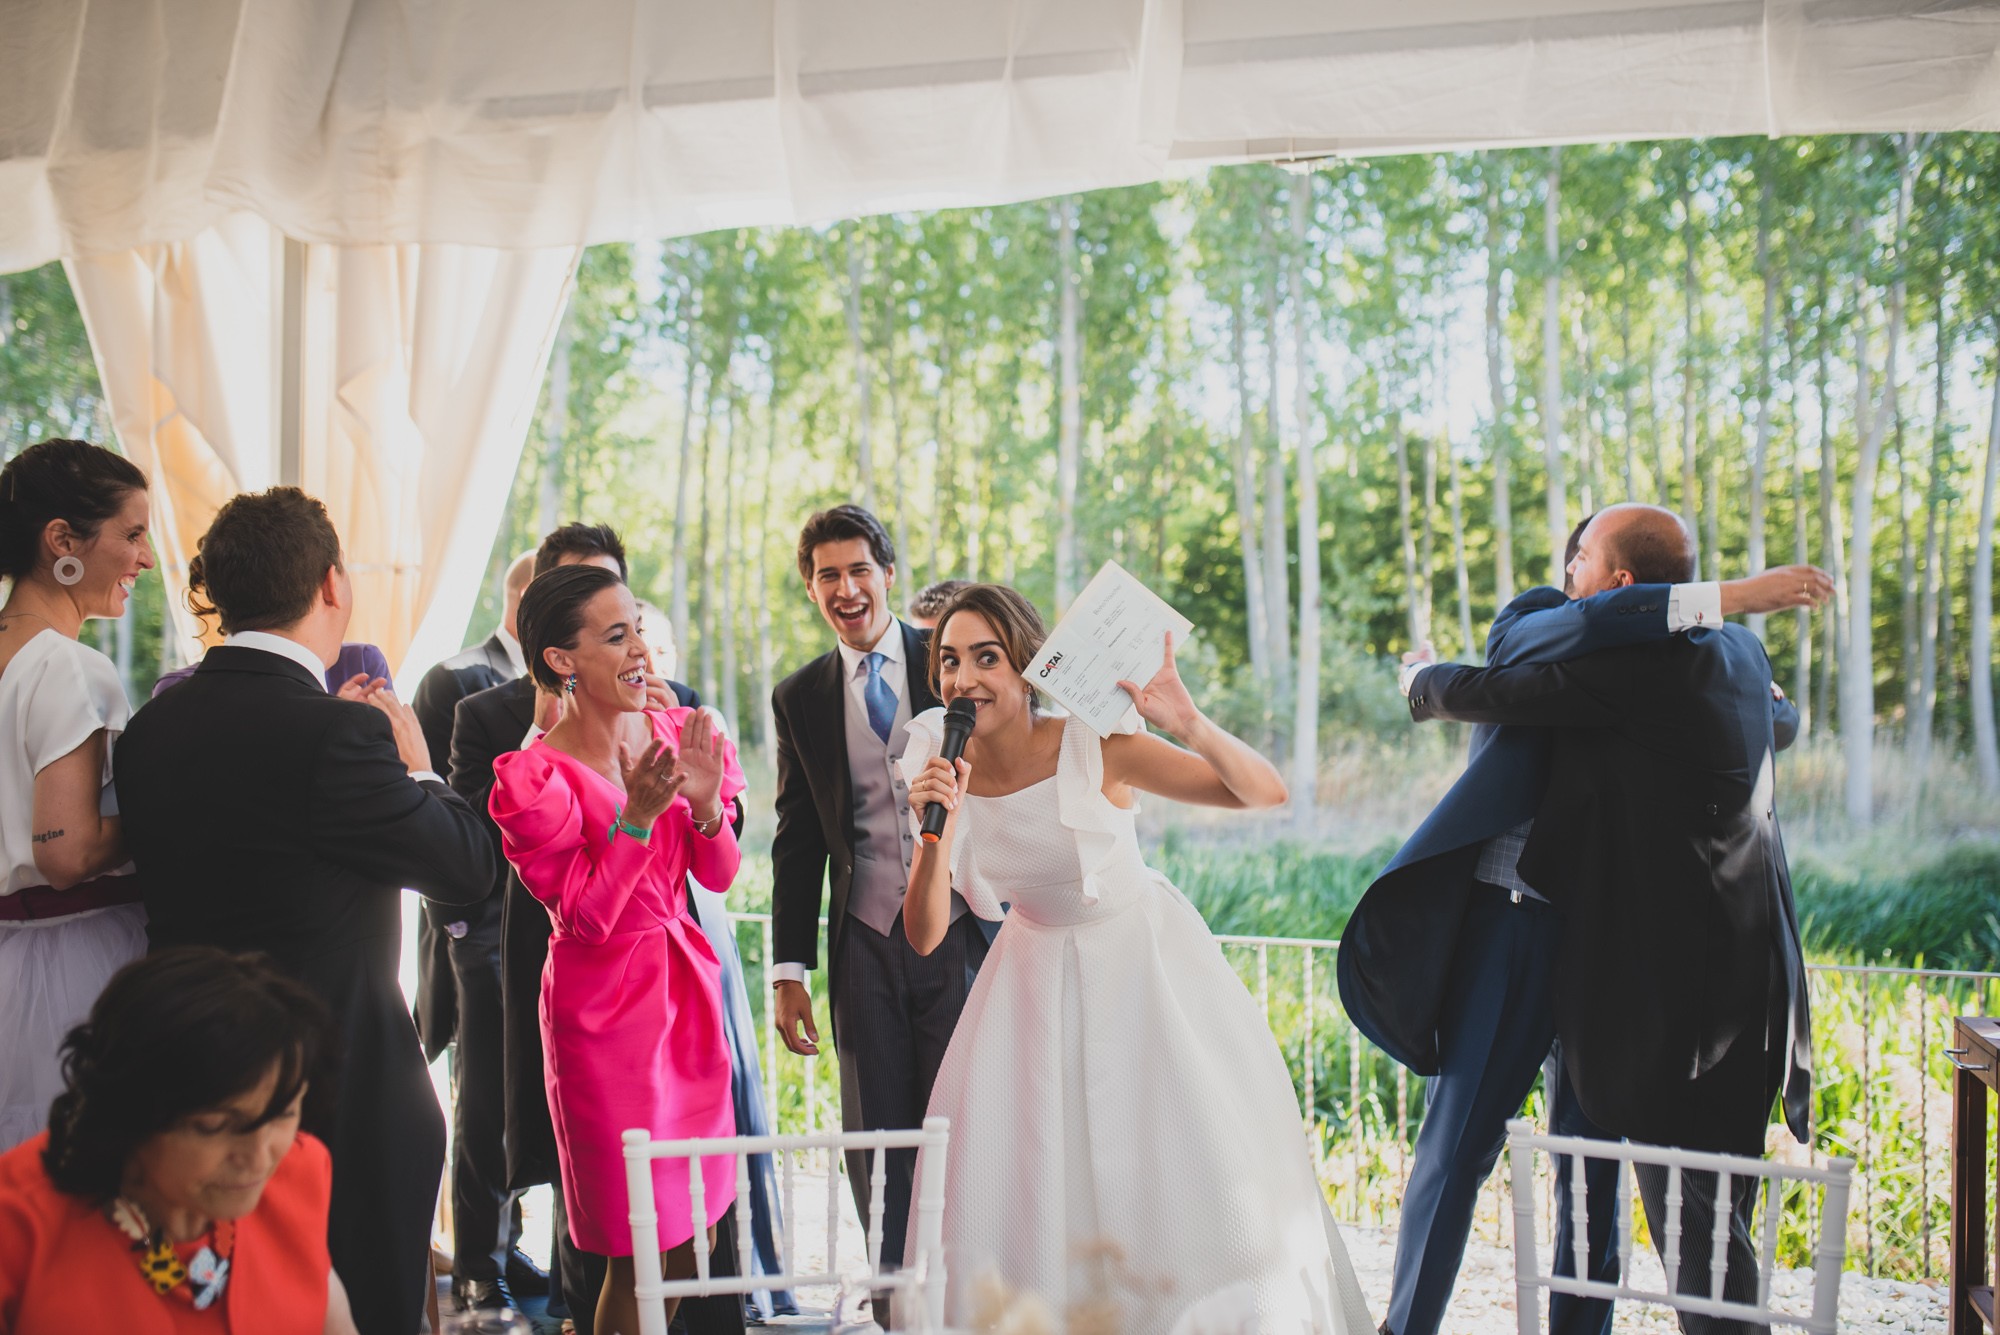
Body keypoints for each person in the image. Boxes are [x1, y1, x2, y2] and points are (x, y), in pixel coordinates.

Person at [1342, 508, 1832, 1335]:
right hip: (1518, 916)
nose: (1569, 572)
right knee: (1462, 1142)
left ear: (1620, 582)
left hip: (1621, 943)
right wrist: (1422, 680)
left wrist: (1729, 628)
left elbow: (1772, 719)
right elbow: (1501, 668)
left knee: (1588, 1161)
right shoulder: (1545, 624)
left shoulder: (1705, 656)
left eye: (1583, 560)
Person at [902, 583, 1374, 1332]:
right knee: (1031, 1190)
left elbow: (1262, 793)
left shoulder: (1095, 744)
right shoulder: (936, 762)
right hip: (1027, 989)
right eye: (950, 660)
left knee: (1181, 1171)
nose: (964, 679)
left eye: (986, 657)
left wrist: (1185, 718)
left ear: (1027, 666)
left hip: (1141, 971)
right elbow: (925, 931)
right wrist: (941, 825)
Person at [114, 486, 497, 1335]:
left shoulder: (149, 730)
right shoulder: (342, 737)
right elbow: (469, 869)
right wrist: (420, 766)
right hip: (339, 1098)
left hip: (188, 1092)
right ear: (334, 585)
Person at [489, 564, 745, 1335]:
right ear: (562, 660)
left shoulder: (677, 732)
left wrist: (704, 808)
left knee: (684, 1243)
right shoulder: (533, 778)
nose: (640, 649)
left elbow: (721, 874)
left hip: (686, 995)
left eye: (638, 627)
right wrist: (634, 819)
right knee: (635, 1249)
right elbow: (589, 919)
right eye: (615, 635)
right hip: (605, 1018)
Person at [769, 507, 994, 1304]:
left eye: (859, 568)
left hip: (963, 930)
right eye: (827, 574)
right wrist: (789, 968)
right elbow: (796, 839)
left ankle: (966, 1288)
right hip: (863, 938)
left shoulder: (949, 662)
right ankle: (897, 1294)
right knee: (875, 1130)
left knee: (965, 1114)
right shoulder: (798, 696)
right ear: (811, 589)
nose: (846, 587)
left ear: (887, 574)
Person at [0, 946, 355, 1334]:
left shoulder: (299, 1171)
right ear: (129, 1113)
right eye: (214, 1126)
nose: (258, 1158)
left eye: (283, 1113)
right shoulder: (17, 1224)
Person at [0, 439, 154, 1152]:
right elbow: (65, 853)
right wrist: (168, 813)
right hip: (67, 964)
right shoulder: (66, 667)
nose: (145, 559)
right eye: (132, 534)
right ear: (61, 539)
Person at [411, 549, 545, 1313]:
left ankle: (516, 1244)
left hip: (561, 923)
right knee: (485, 1098)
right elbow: (438, 814)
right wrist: (461, 926)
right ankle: (477, 1261)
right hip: (484, 923)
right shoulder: (456, 680)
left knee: (535, 1093)